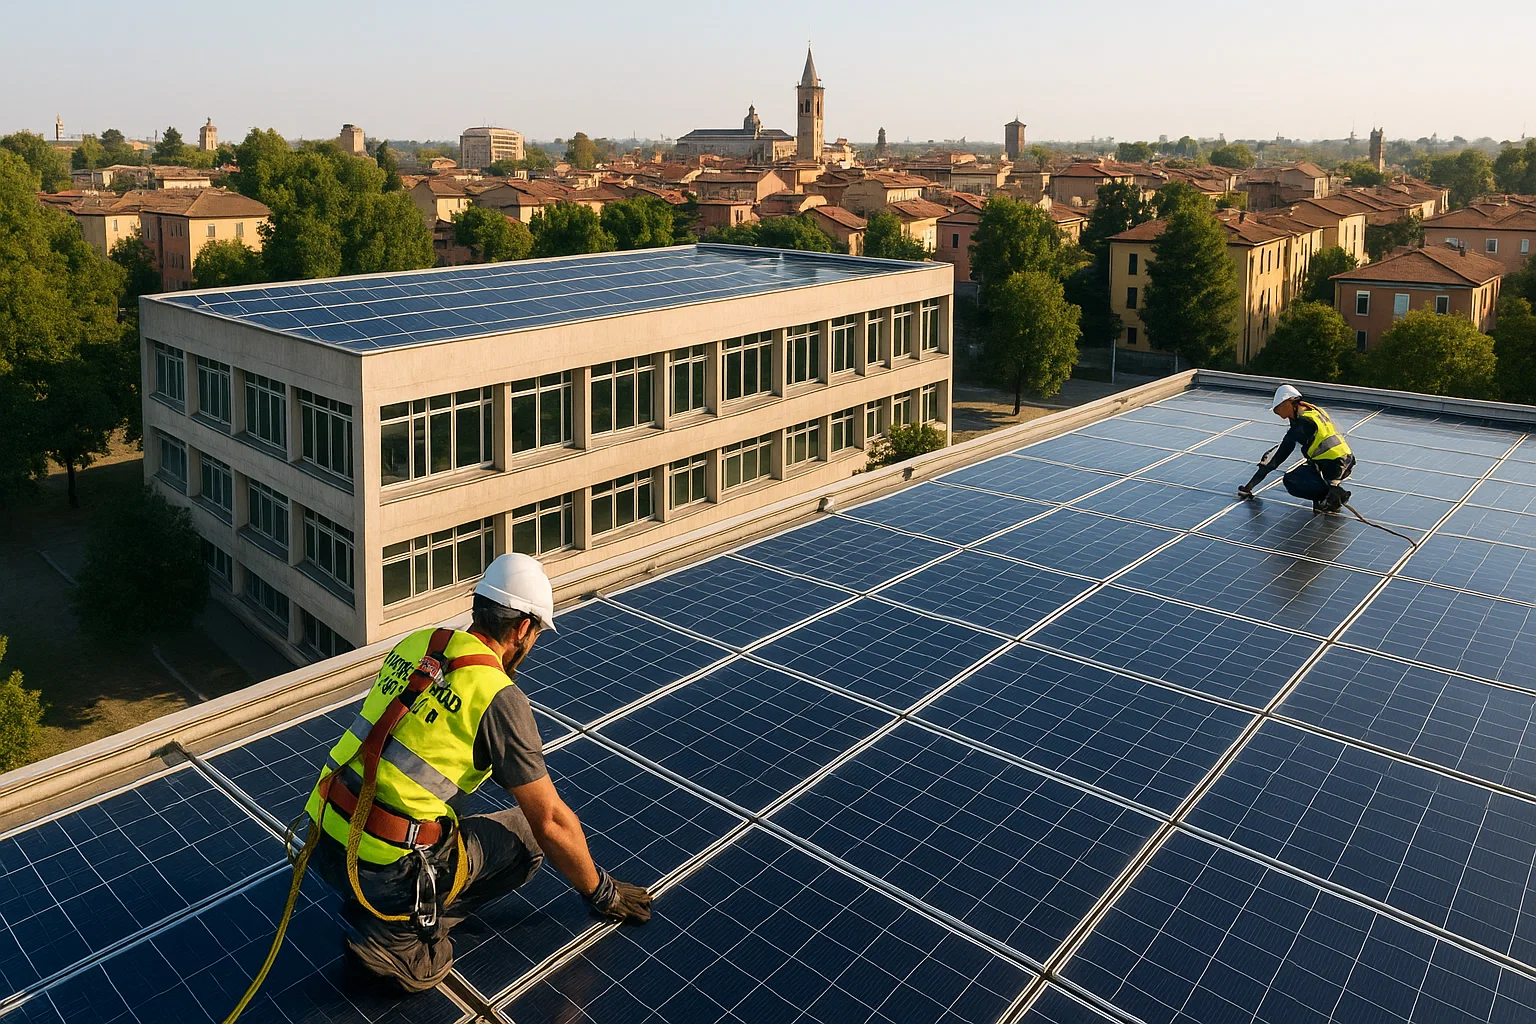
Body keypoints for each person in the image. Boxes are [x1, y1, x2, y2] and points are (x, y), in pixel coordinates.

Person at [304, 553, 651, 992]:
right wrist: (602, 891)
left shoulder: (417, 644)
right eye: (536, 633)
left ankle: (391, 904)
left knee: (439, 820)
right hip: (385, 872)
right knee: (528, 838)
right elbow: (550, 821)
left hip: (321, 838)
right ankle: (400, 935)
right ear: (522, 628)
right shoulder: (498, 696)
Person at [1238, 384, 1356, 514]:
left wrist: (1250, 485)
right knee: (1308, 473)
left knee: (1292, 480)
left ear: (1288, 403)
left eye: (1279, 409)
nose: (1279, 414)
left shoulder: (1303, 424)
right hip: (1345, 460)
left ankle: (1336, 495)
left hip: (1334, 465)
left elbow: (1278, 457)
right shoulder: (1314, 411)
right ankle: (1329, 497)